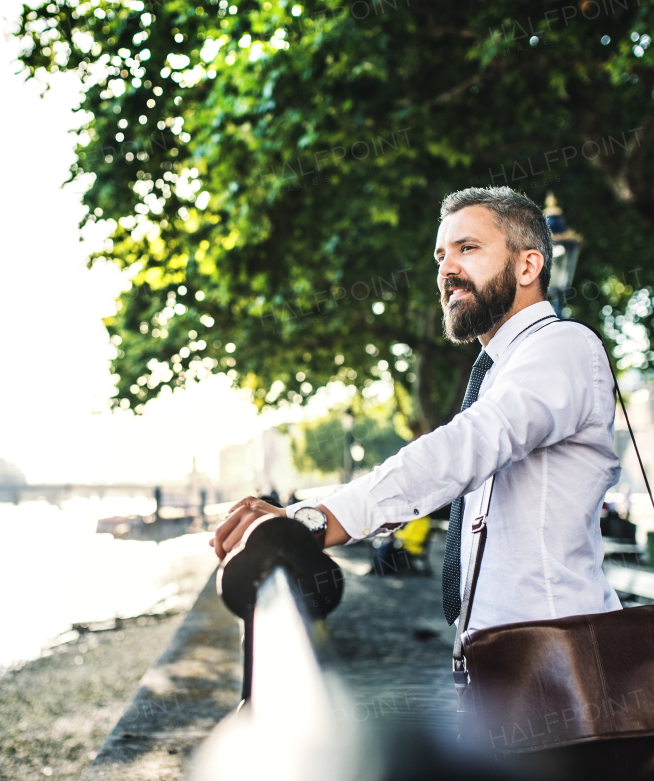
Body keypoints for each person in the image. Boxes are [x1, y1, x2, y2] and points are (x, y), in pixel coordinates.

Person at [214, 186, 622, 635]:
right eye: (440, 256)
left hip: (563, 663)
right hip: (509, 662)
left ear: (528, 265)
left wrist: (314, 521)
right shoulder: (499, 370)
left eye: (467, 248)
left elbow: (464, 447)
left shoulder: (561, 345)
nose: (447, 269)